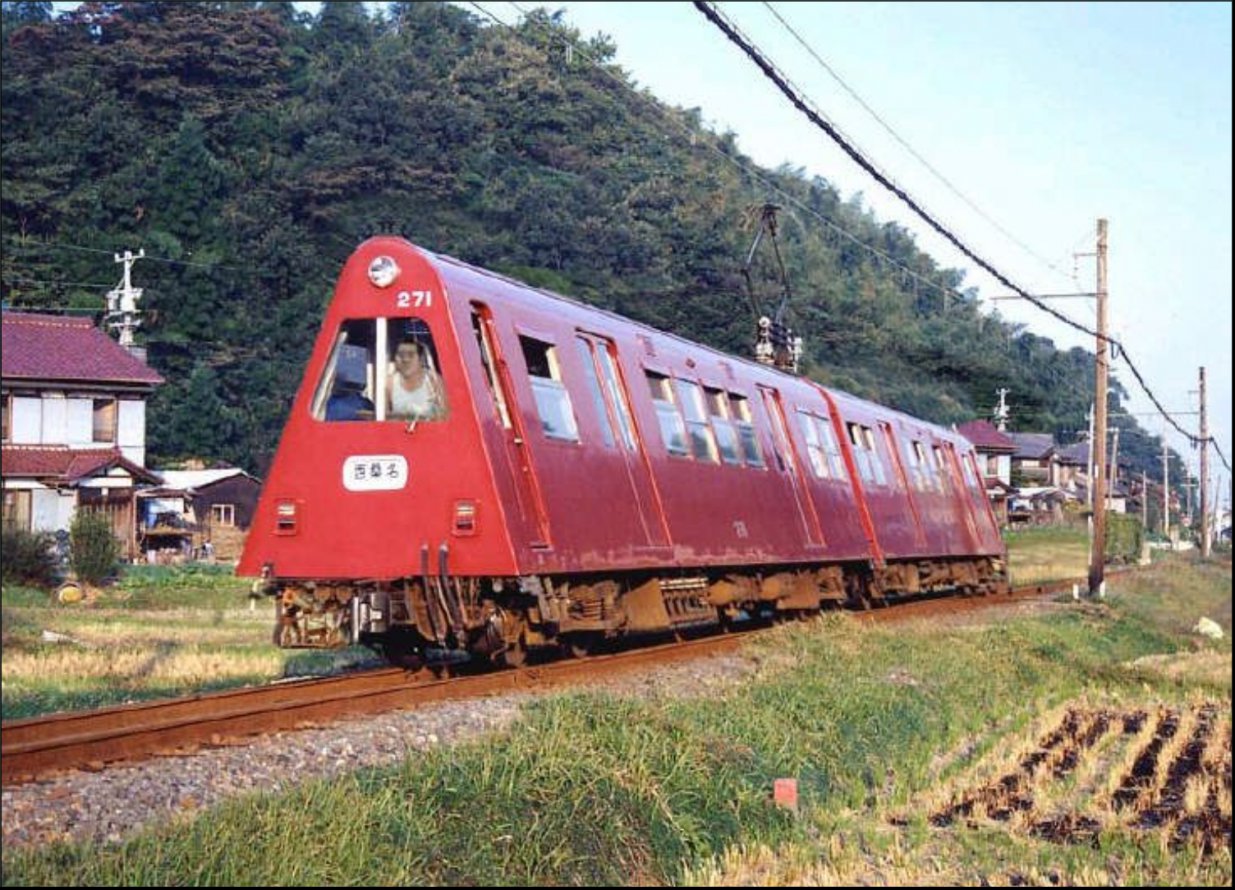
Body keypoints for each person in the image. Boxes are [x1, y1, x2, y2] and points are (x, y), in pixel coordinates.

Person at [387, 337, 446, 420]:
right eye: (401, 355)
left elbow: (445, 416)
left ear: (421, 360)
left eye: (410, 355)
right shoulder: (389, 383)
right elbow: (382, 418)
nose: (405, 360)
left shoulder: (433, 381)